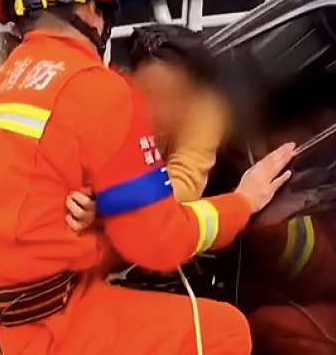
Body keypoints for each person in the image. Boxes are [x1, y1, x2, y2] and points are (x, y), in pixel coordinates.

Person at [0, 0, 294, 355]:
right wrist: (242, 202)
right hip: (21, 329)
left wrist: (100, 220)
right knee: (224, 330)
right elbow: (159, 243)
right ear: (91, 9)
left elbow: (13, 207)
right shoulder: (99, 90)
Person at [65, 25, 230, 235]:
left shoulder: (205, 112)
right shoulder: (109, 103)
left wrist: (109, 204)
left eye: (172, 97)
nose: (158, 111)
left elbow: (184, 182)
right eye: (147, 95)